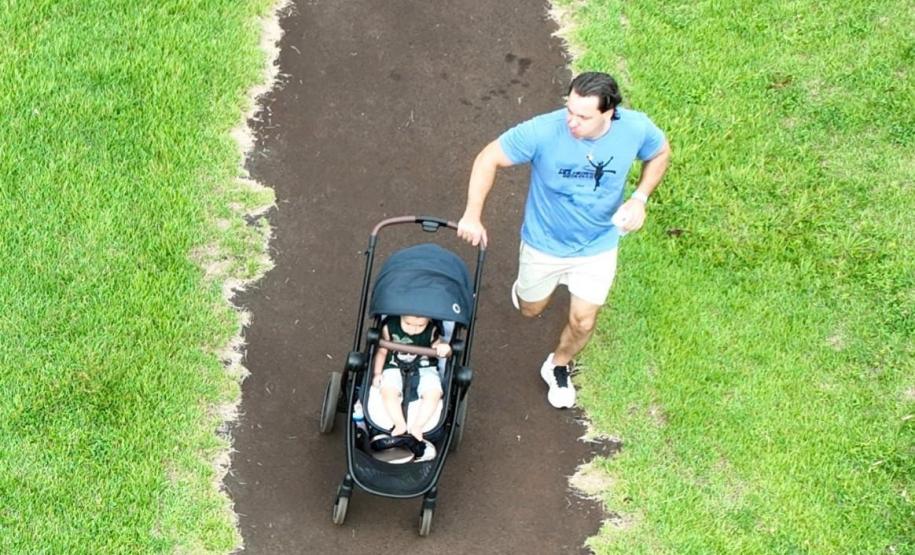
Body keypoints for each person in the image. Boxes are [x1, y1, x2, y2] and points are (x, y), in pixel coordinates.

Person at [456, 71, 671, 409]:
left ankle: (558, 364)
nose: (572, 121)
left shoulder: (635, 128)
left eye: (583, 116)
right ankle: (526, 293)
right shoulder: (543, 131)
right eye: (569, 109)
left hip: (598, 245)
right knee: (531, 309)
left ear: (609, 112)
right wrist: (472, 214)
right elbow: (489, 157)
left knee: (584, 320)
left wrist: (639, 198)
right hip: (544, 244)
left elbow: (659, 153)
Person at [370, 314, 451, 462]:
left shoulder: (431, 329)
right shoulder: (390, 326)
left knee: (434, 392)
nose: (414, 329)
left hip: (425, 367)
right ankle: (399, 423)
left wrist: (443, 347)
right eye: (408, 324)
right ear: (401, 316)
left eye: (420, 326)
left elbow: (439, 347)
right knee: (388, 391)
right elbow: (382, 351)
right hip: (393, 365)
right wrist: (377, 373)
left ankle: (418, 425)